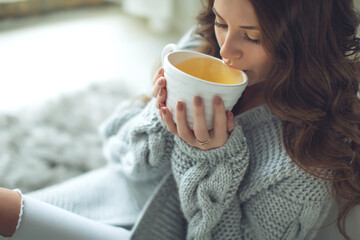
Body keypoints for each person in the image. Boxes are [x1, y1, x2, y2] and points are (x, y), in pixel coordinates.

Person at [1, 0, 360, 239]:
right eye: (222, 22)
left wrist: (210, 157)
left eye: (251, 37)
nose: (226, 50)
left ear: (305, 42)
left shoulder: (309, 160)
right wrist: (160, 114)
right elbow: (120, 156)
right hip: (119, 192)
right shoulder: (200, 51)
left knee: (7, 212)